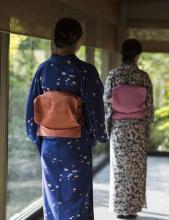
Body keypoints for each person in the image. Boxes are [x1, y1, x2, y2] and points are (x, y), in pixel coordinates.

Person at [25, 17, 108, 220]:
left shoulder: (43, 70)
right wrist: (99, 136)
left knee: (53, 200)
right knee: (77, 199)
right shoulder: (85, 71)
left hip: (49, 146)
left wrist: (41, 140)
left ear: (55, 39)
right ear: (78, 41)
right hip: (76, 145)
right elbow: (96, 112)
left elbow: (30, 115)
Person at [104, 39, 154, 219]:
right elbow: (149, 106)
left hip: (119, 128)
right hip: (138, 129)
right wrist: (146, 127)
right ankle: (132, 208)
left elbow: (107, 105)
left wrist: (109, 128)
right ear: (138, 55)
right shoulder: (143, 77)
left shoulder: (113, 75)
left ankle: (120, 208)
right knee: (136, 169)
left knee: (120, 168)